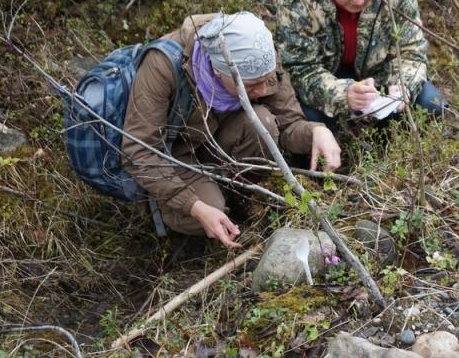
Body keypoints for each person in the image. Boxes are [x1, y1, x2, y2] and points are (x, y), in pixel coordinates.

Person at [121, 12, 341, 247]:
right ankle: (194, 219)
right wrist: (193, 206)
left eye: (265, 81)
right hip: (177, 158)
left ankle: (240, 195)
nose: (260, 91)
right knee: (208, 209)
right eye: (250, 85)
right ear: (218, 70)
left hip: (220, 140)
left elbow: (289, 124)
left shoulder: (261, 53)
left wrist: (317, 131)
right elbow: (138, 151)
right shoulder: (162, 66)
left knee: (262, 123)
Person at [276, 0, 446, 126]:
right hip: (326, 77)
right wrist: (343, 93)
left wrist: (403, 85)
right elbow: (298, 68)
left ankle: (391, 150)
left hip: (380, 77)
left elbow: (412, 50)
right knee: (309, 120)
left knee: (432, 104)